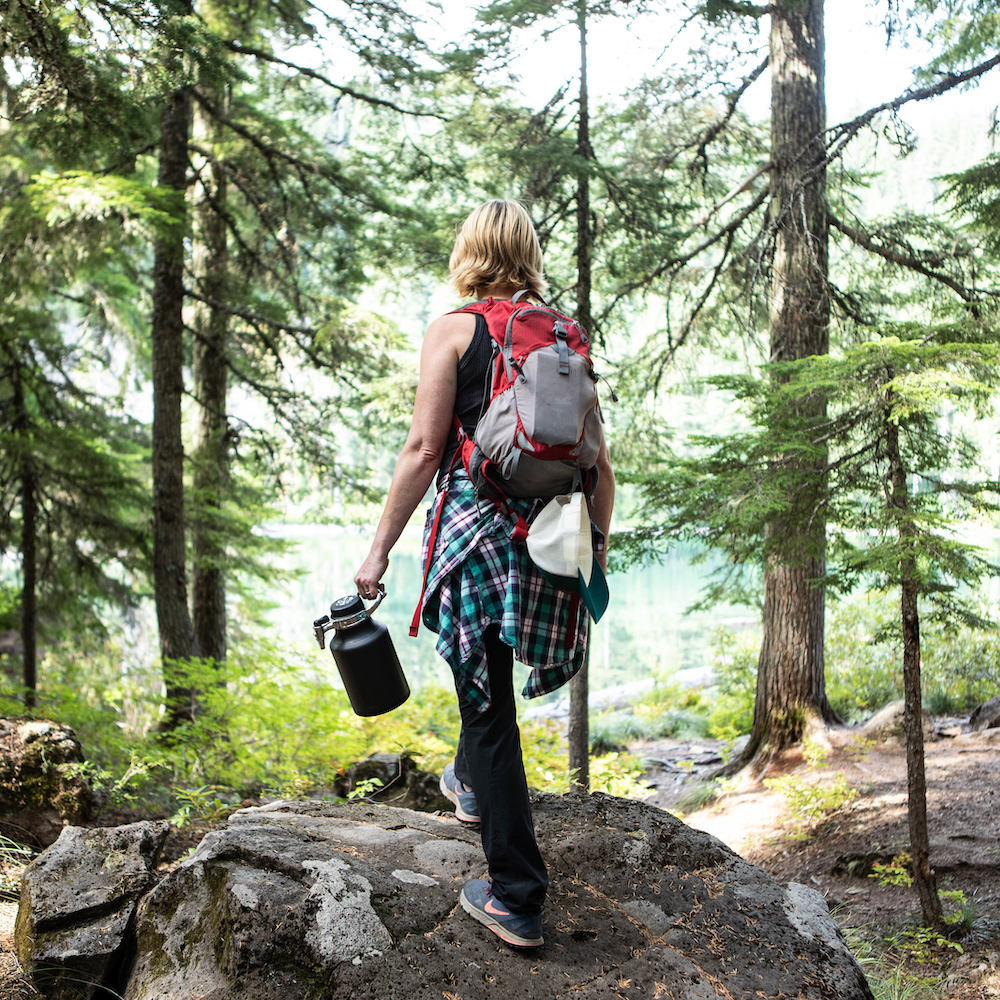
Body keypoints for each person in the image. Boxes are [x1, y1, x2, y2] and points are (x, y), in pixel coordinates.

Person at [354, 199, 614, 949]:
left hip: (477, 537)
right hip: (551, 538)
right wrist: (596, 550)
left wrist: (378, 552)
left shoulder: (452, 330)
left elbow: (422, 450)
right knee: (492, 700)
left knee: (488, 710)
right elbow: (600, 467)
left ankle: (517, 898)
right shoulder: (563, 336)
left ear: (468, 253)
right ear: (528, 252)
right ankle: (470, 785)